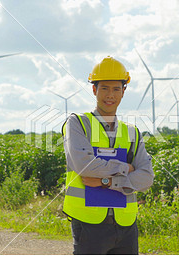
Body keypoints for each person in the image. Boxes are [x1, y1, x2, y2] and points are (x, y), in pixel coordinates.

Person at [61, 56, 154, 255]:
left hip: (126, 223)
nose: (110, 95)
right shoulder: (78, 123)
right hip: (88, 222)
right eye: (104, 88)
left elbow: (146, 178)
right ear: (94, 89)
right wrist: (126, 168)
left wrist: (105, 181)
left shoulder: (132, 132)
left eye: (116, 89)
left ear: (123, 92)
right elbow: (85, 167)